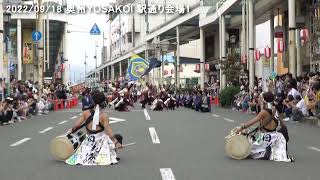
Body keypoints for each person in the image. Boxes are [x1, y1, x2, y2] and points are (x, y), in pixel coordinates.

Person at [65, 91, 122, 166]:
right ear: (103, 102)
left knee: (81, 154)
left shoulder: (85, 113)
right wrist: (116, 142)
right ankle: (111, 154)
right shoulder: (104, 116)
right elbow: (109, 131)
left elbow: (76, 126)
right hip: (101, 141)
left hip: (88, 141)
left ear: (93, 101)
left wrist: (69, 132)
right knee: (119, 137)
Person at [235, 92, 294, 162]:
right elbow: (283, 125)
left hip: (266, 137)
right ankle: (271, 150)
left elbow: (252, 122)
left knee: (247, 151)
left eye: (260, 98)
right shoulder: (275, 110)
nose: (259, 99)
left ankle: (266, 152)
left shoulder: (264, 112)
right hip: (277, 136)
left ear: (264, 100)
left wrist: (241, 128)